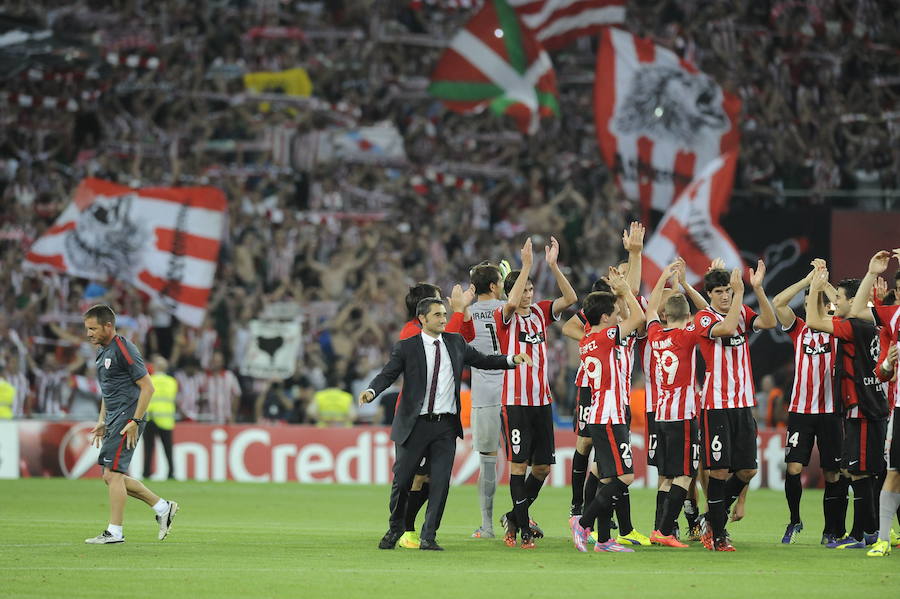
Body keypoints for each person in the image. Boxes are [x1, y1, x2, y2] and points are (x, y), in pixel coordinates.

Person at [360, 297, 531, 551]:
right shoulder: (407, 347)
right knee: (402, 481)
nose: (443, 319)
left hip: (445, 427)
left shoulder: (456, 342)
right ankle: (395, 527)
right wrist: (372, 391)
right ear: (423, 319)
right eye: (438, 315)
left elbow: (483, 359)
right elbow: (388, 373)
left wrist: (510, 360)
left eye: (444, 314)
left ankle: (429, 536)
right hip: (414, 425)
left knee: (440, 482)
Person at [647, 263, 743, 548]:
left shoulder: (655, 335)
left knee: (666, 477)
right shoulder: (689, 334)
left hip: (661, 413)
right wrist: (736, 292)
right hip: (683, 415)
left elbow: (650, 309)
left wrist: (664, 277)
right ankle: (663, 531)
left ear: (666, 316)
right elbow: (719, 322)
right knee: (686, 473)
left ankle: (659, 528)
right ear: (688, 317)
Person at [497, 236, 578, 549]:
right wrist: (526, 265)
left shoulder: (542, 313)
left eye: (531, 289)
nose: (529, 295)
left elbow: (570, 297)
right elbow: (511, 304)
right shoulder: (504, 319)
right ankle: (521, 531)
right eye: (523, 289)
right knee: (518, 466)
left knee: (542, 468)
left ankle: (515, 517)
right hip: (515, 402)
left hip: (541, 402)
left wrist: (553, 266)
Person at [805, 263, 889, 550]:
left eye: (838, 299)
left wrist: (816, 289)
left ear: (852, 302)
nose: (833, 303)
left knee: (862, 473)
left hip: (864, 408)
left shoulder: (854, 325)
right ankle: (866, 532)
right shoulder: (865, 322)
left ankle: (868, 534)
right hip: (864, 407)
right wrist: (826, 284)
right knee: (861, 472)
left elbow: (814, 323)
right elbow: (847, 303)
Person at [696, 260, 777, 551]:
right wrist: (742, 293)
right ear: (709, 295)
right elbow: (729, 327)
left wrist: (757, 288)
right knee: (718, 472)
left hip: (743, 403)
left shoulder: (743, 309)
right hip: (716, 405)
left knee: (747, 471)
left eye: (728, 290)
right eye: (719, 291)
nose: (725, 295)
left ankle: (710, 518)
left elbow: (769, 322)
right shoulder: (704, 318)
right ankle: (718, 535)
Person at [82, 304, 178, 544]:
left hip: (128, 417)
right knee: (109, 475)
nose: (88, 333)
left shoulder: (124, 349)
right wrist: (102, 419)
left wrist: (135, 420)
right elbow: (108, 390)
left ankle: (115, 531)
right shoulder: (103, 352)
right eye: (87, 329)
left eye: (93, 328)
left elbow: (148, 386)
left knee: (113, 474)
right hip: (115, 417)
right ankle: (163, 507)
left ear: (108, 325)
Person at [569, 267, 645, 553]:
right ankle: (583, 522)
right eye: (614, 312)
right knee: (625, 477)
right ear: (604, 318)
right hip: (610, 416)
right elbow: (638, 319)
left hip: (601, 413)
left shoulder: (588, 341)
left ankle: (603, 540)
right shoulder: (604, 338)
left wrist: (623, 293)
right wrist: (625, 290)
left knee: (606, 476)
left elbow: (628, 320)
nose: (618, 315)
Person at [771, 261, 842, 544]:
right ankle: (794, 521)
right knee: (794, 468)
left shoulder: (838, 328)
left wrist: (823, 284)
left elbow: (845, 306)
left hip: (830, 410)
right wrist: (807, 280)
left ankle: (831, 530)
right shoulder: (799, 329)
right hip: (800, 410)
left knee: (833, 473)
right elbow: (778, 302)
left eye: (814, 302)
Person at [465, 262, 508, 539]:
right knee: (523, 462)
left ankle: (487, 525)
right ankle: (520, 517)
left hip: (483, 393)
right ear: (494, 286)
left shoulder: (464, 314)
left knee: (487, 461)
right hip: (513, 388)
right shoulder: (507, 309)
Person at [868, 248, 900, 557]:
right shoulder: (893, 318)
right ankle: (883, 539)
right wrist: (889, 365)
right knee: (893, 472)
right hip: (899, 409)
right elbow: (881, 373)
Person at [144, 355, 178, 479]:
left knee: (148, 448)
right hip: (166, 419)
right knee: (168, 449)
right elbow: (172, 397)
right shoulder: (172, 382)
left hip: (149, 418)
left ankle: (146, 472)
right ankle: (171, 473)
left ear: (153, 366)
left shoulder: (148, 379)